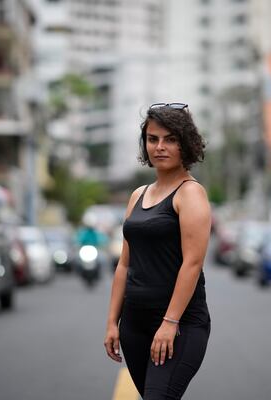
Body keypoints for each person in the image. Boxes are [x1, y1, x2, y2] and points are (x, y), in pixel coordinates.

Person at [104, 102, 211, 399]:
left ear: (185, 144)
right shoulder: (138, 195)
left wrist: (169, 323)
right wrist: (113, 321)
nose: (160, 147)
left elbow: (192, 263)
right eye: (153, 139)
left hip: (180, 325)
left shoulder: (190, 194)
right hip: (134, 325)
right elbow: (125, 264)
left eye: (170, 139)